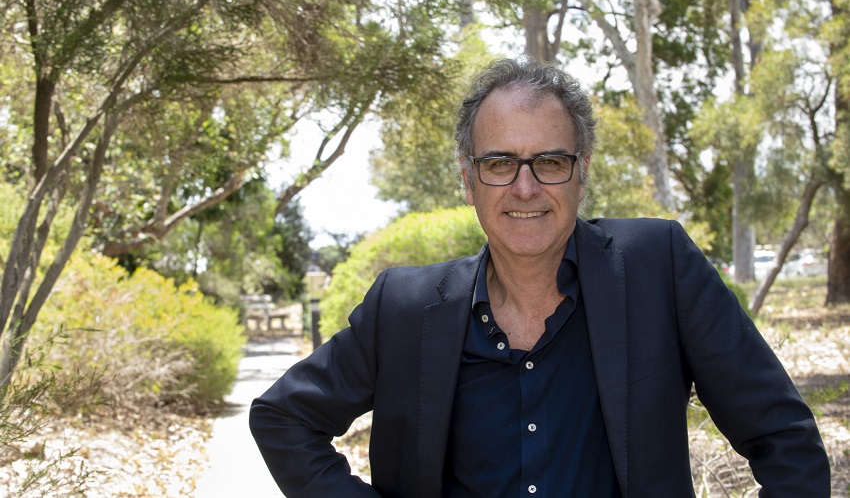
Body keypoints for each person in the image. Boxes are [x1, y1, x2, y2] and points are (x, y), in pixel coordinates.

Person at [250, 57, 830, 497]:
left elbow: (785, 440)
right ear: (468, 179)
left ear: (581, 173)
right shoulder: (403, 307)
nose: (525, 188)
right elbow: (284, 417)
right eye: (499, 163)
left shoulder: (658, 265)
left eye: (550, 162)